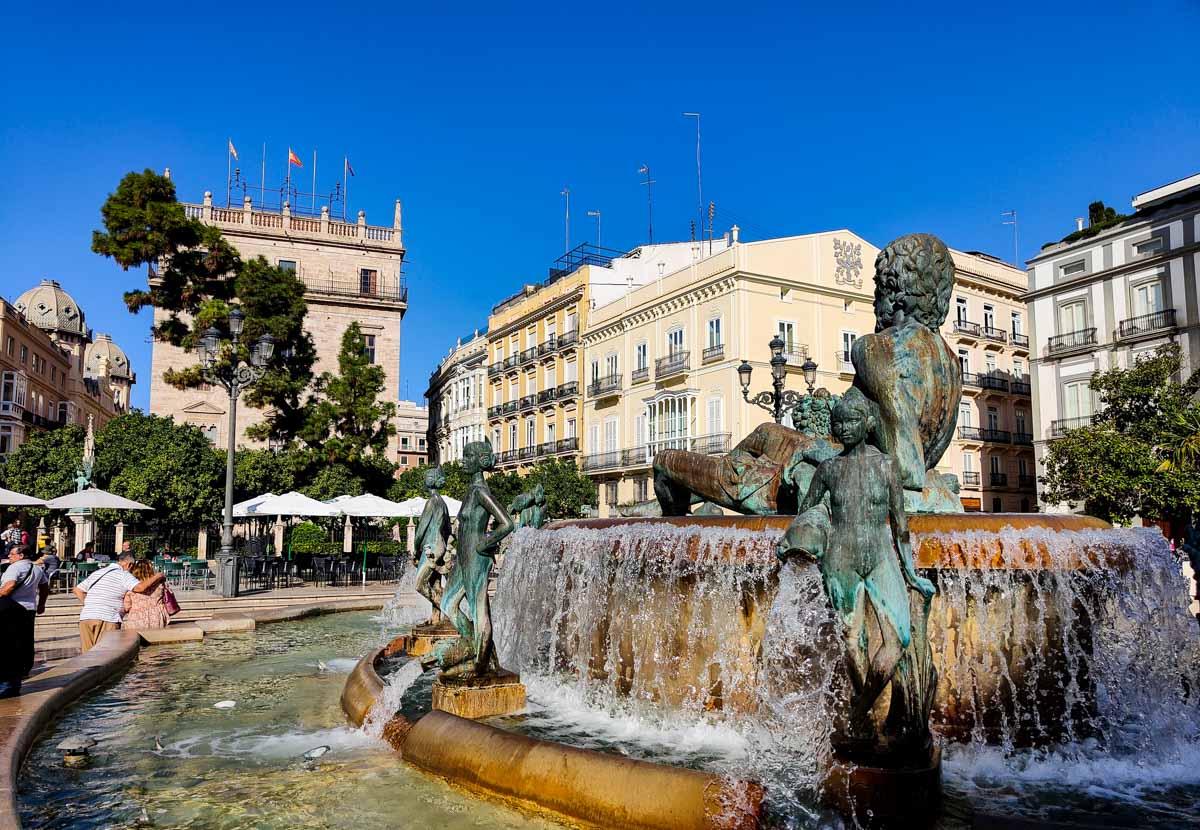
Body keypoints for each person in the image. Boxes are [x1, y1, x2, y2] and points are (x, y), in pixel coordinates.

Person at [73, 552, 165, 652]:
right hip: (107, 618)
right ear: (130, 564)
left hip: (86, 617)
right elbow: (140, 587)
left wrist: (89, 604)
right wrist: (158, 576)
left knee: (88, 656)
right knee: (106, 656)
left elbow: (77, 590)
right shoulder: (124, 575)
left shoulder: (98, 572)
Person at [0, 545, 49, 697]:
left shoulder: (14, 568)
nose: (9, 556)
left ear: (21, 555)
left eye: (12, 554)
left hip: (10, 610)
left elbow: (9, 587)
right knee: (22, 645)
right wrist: (41, 604)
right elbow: (44, 587)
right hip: (29, 610)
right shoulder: (37, 569)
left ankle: (5, 685)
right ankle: (15, 684)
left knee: (7, 646)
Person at [121, 559, 169, 631]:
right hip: (156, 616)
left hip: (136, 617)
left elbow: (127, 607)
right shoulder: (160, 584)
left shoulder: (132, 587)